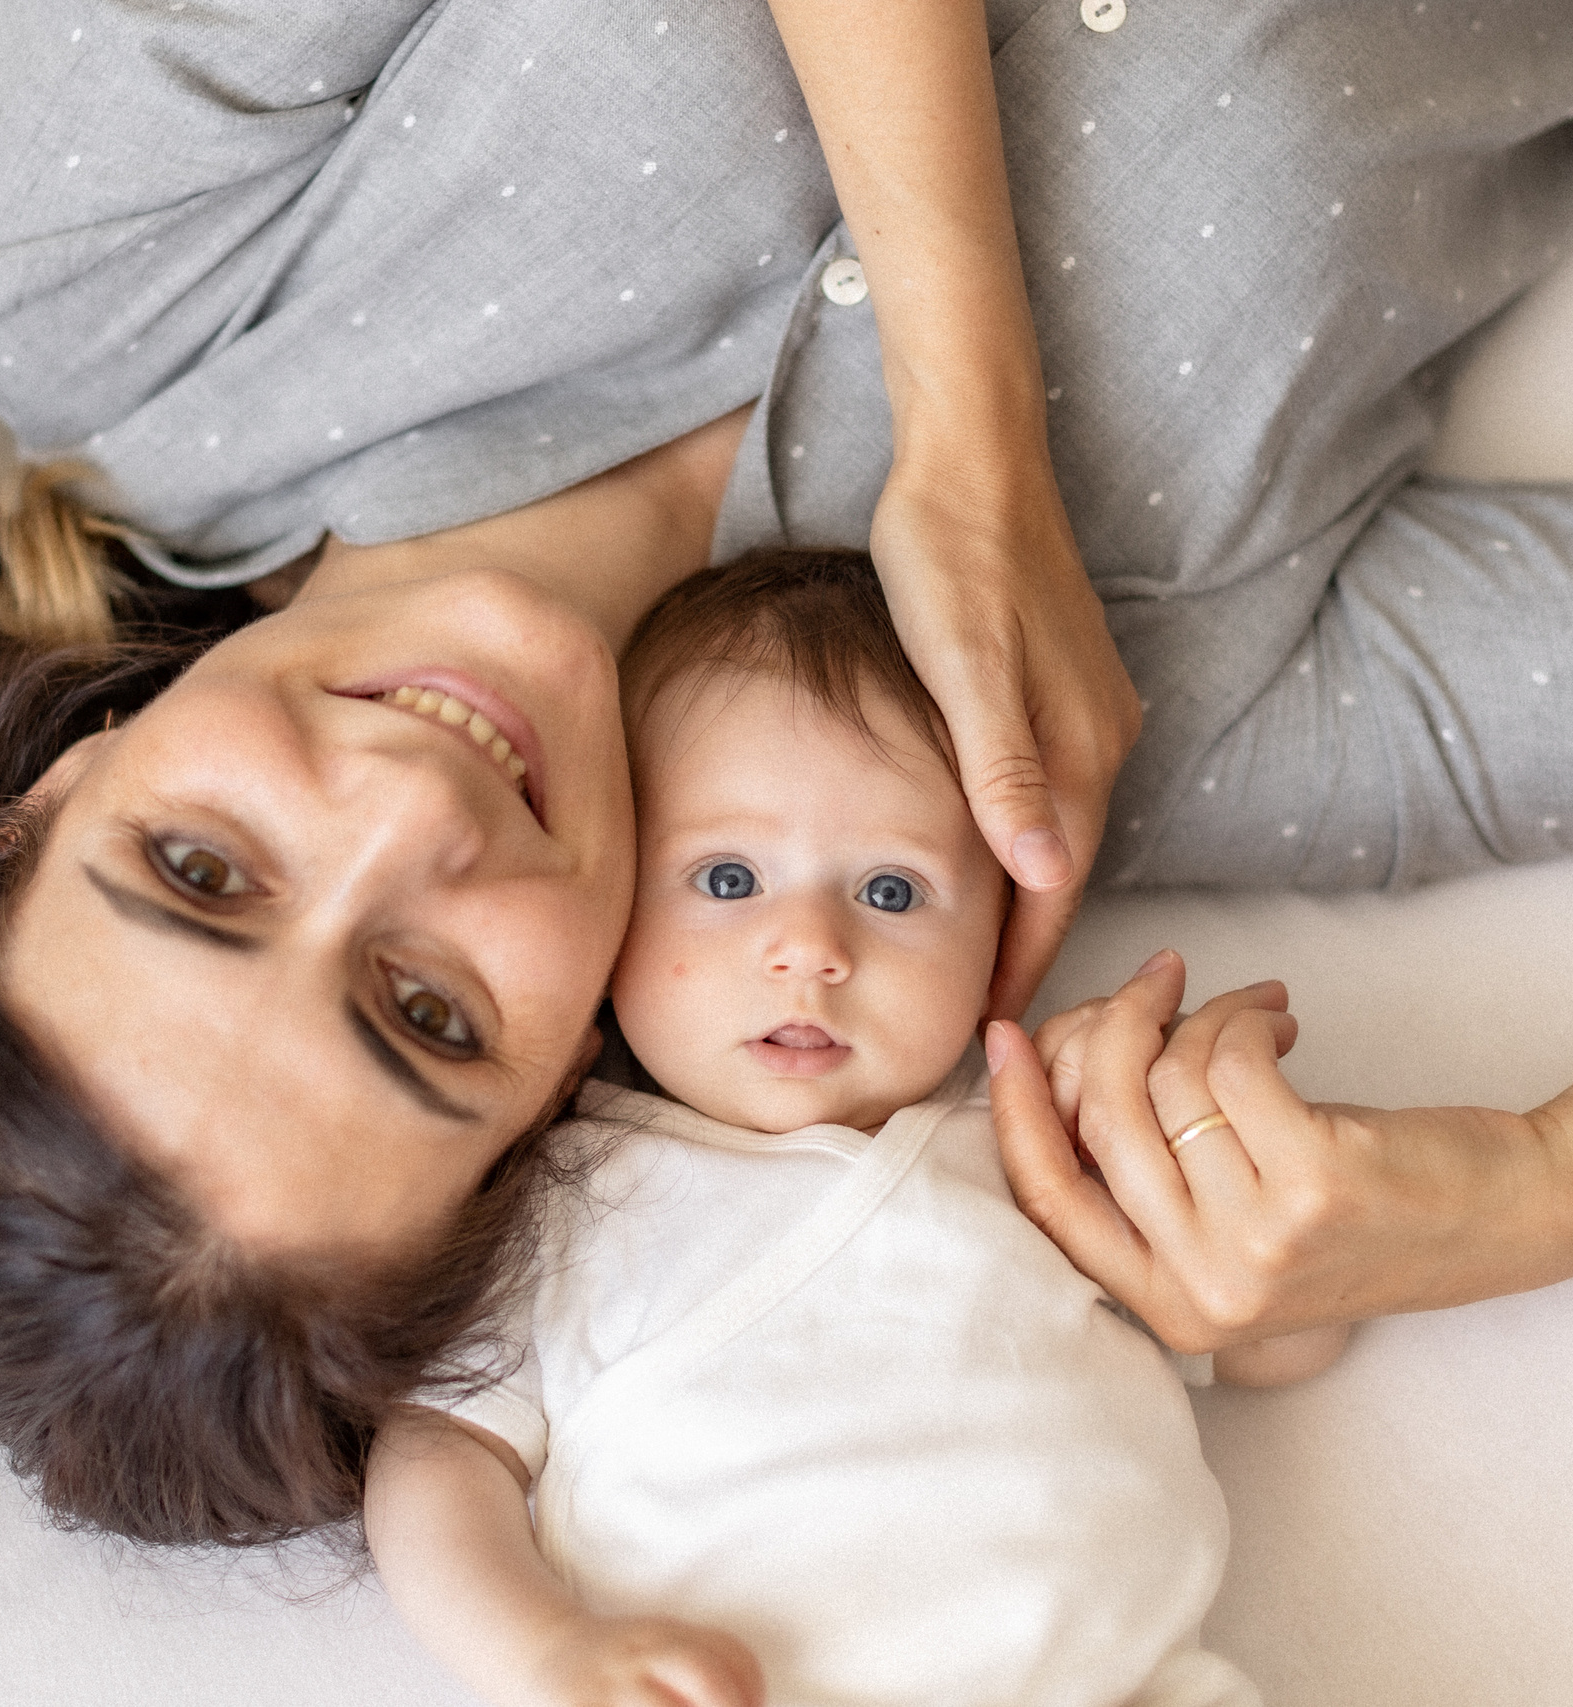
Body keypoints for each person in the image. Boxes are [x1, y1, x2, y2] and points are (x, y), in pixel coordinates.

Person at [0, 0, 1573, 1555]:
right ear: (564, 1100)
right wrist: (1558, 1185)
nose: (410, 816)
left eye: (199, 864)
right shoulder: (1094, 747)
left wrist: (968, 414)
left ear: (43, 793)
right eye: (424, 1010)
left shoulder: (109, 289)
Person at [364, 550, 1338, 1707]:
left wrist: (1222, 1140)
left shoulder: (1048, 1141)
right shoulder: (561, 1194)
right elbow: (435, 1454)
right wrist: (544, 1651)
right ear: (611, 894)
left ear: (1007, 931)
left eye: (890, 890)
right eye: (728, 879)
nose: (810, 948)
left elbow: (1279, 1343)